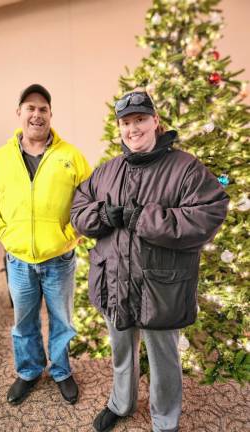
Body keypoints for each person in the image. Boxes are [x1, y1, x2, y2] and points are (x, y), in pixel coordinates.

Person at [70, 89, 229, 432]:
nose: (133, 128)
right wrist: (103, 215)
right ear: (119, 129)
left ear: (155, 121)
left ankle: (165, 421)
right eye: (126, 122)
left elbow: (210, 213)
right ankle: (120, 403)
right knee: (122, 350)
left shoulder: (185, 167)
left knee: (164, 358)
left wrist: (143, 219)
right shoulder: (106, 171)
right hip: (115, 280)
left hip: (162, 286)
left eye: (140, 119)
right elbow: (78, 212)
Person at [0, 84, 91, 406]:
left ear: (51, 115)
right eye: (30, 108)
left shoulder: (71, 156)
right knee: (23, 323)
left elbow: (90, 201)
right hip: (19, 261)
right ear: (19, 114)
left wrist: (71, 232)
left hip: (60, 259)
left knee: (62, 321)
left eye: (43, 109)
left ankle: (62, 371)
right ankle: (28, 371)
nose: (36, 114)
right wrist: (3, 233)